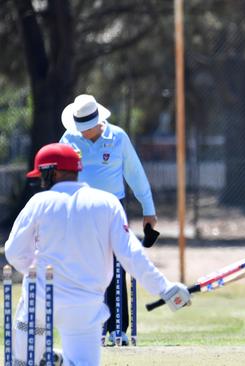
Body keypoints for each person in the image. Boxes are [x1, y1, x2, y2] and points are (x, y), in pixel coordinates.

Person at [4, 143, 191, 366]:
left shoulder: (38, 203)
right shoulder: (107, 202)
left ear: (51, 172)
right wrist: (164, 288)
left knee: (23, 362)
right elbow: (130, 253)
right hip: (85, 305)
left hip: (41, 301)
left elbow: (14, 251)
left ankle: (47, 360)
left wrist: (36, 272)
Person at [59, 94, 156, 346]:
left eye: (85, 128)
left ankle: (118, 329)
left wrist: (149, 209)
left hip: (114, 209)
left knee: (116, 267)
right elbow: (57, 176)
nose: (82, 132)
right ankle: (92, 328)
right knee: (87, 269)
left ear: (97, 122)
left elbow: (135, 174)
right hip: (80, 210)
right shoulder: (68, 139)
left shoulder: (118, 137)